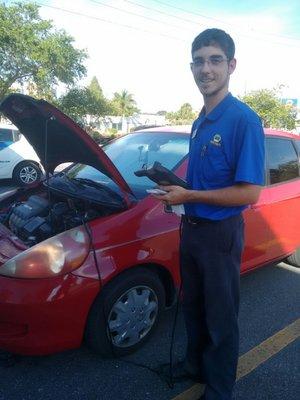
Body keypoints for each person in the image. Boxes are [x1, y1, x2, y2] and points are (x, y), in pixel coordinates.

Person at [154, 28, 265, 400]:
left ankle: (219, 389)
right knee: (192, 305)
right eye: (199, 61)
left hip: (220, 235)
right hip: (192, 230)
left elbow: (250, 191)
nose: (207, 69)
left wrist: (193, 194)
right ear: (191, 67)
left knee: (221, 316)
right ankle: (193, 366)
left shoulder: (244, 121)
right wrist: (177, 195)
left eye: (215, 59)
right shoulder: (200, 120)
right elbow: (201, 178)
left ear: (231, 65)